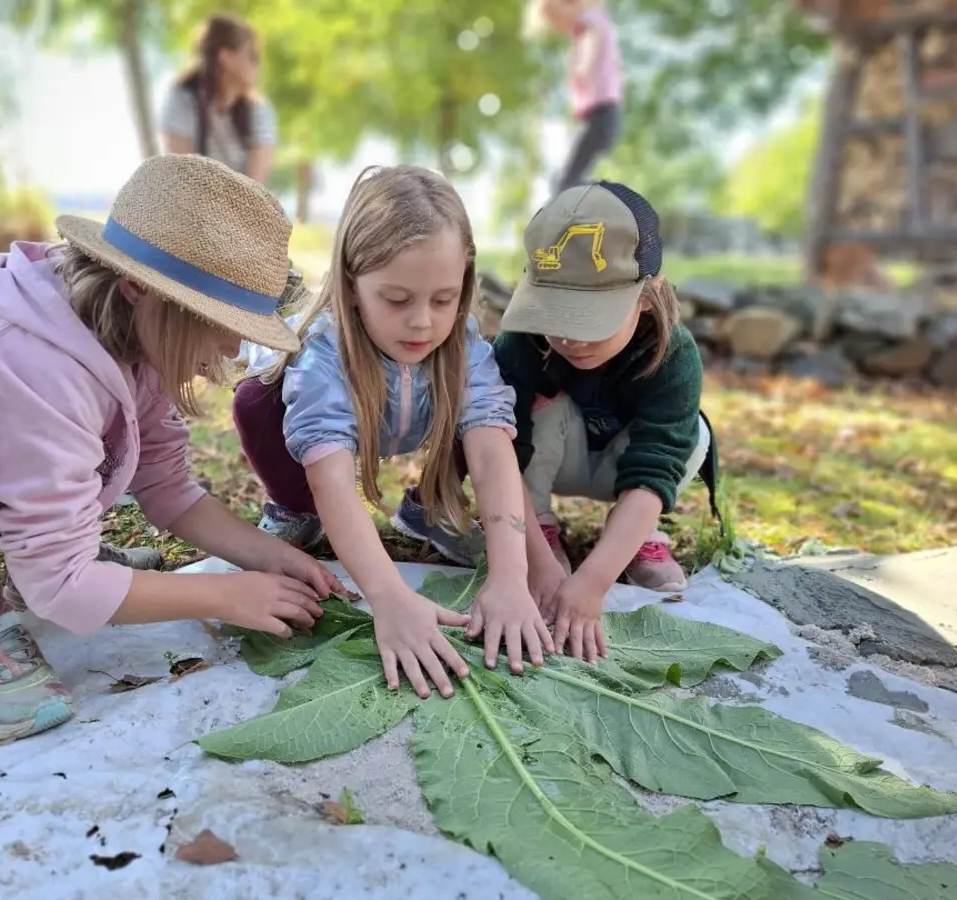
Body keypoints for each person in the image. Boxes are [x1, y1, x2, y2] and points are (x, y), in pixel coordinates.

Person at [0, 155, 343, 743]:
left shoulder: (136, 334)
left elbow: (167, 486)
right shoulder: (33, 355)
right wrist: (225, 594)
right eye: (222, 323)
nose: (231, 348)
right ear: (138, 287)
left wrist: (266, 555)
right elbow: (58, 588)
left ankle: (48, 554)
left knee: (56, 517)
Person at [232, 166, 553, 700]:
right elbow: (333, 480)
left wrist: (510, 579)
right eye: (398, 300)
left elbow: (492, 454)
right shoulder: (322, 355)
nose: (422, 322)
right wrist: (390, 597)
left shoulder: (464, 347)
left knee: (490, 418)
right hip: (325, 435)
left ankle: (432, 507)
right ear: (352, 286)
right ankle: (293, 512)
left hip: (418, 417)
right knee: (256, 400)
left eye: (443, 299)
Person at [494, 179, 723, 663]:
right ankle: (541, 531)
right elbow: (500, 459)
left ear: (646, 296)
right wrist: (536, 562)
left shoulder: (674, 356)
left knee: (694, 435)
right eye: (555, 313)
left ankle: (634, 537)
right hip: (552, 460)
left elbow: (655, 466)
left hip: (623, 469)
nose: (569, 337)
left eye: (589, 318)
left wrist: (594, 582)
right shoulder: (520, 344)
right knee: (522, 416)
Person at [159, 12, 278, 183]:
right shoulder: (182, 99)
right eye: (252, 55)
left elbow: (254, 187)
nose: (258, 64)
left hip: (241, 199)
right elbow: (181, 175)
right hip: (189, 196)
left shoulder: (259, 111)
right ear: (226, 57)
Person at [527, 0, 625, 196]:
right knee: (569, 178)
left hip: (601, 116)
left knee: (566, 181)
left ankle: (600, 201)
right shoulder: (599, 18)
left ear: (569, 6)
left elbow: (591, 40)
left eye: (555, 17)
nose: (556, 26)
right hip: (603, 117)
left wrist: (583, 67)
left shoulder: (588, 23)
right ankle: (596, 199)